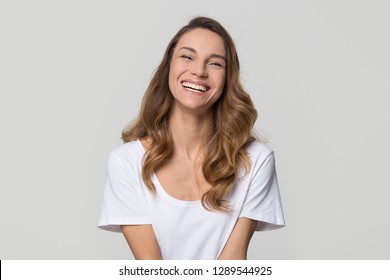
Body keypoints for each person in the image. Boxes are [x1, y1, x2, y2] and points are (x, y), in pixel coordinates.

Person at [98, 16, 285, 260]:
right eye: (187, 57)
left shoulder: (256, 160)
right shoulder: (126, 163)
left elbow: (232, 267)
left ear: (228, 79)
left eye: (215, 63)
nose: (199, 71)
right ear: (169, 67)